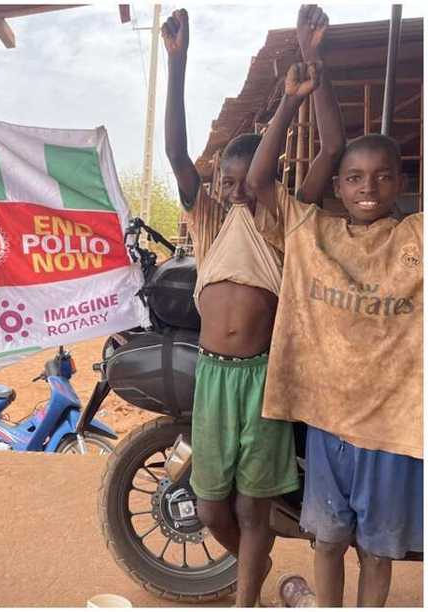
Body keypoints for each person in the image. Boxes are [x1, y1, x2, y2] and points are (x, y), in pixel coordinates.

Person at [160, 8, 340, 604]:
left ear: (265, 176)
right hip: (213, 378)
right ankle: (255, 573)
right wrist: (177, 64)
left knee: (251, 508)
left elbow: (329, 152)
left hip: (264, 379)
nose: (236, 189)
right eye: (227, 181)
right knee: (212, 508)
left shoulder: (281, 221)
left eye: (244, 180)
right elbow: (176, 153)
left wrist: (311, 70)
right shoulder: (209, 222)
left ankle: (245, 601)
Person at [247, 46, 423, 607]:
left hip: (393, 431)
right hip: (328, 425)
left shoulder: (416, 239)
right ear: (339, 187)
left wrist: (318, 75)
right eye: (354, 177)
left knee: (377, 551)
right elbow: (258, 180)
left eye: (382, 176)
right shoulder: (312, 233)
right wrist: (297, 92)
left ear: (401, 182)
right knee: (326, 541)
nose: (368, 187)